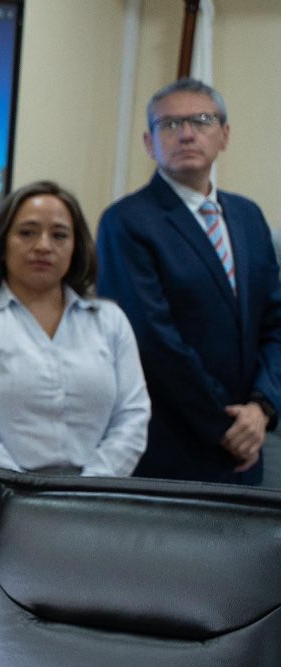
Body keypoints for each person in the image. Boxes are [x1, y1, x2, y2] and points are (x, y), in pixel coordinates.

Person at [0, 180, 150, 637]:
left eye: (59, 234)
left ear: (77, 246)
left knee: (82, 647)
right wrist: (25, 497)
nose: (43, 245)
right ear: (1, 242)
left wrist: (87, 491)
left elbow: (133, 414)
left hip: (93, 507)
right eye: (27, 232)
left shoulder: (109, 321)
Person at [96, 78, 281, 485]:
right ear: (149, 142)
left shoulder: (249, 217)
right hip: (170, 449)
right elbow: (152, 340)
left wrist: (262, 408)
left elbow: (275, 322)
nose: (186, 133)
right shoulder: (126, 222)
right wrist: (223, 426)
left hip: (247, 447)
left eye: (201, 120)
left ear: (225, 135)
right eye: (170, 124)